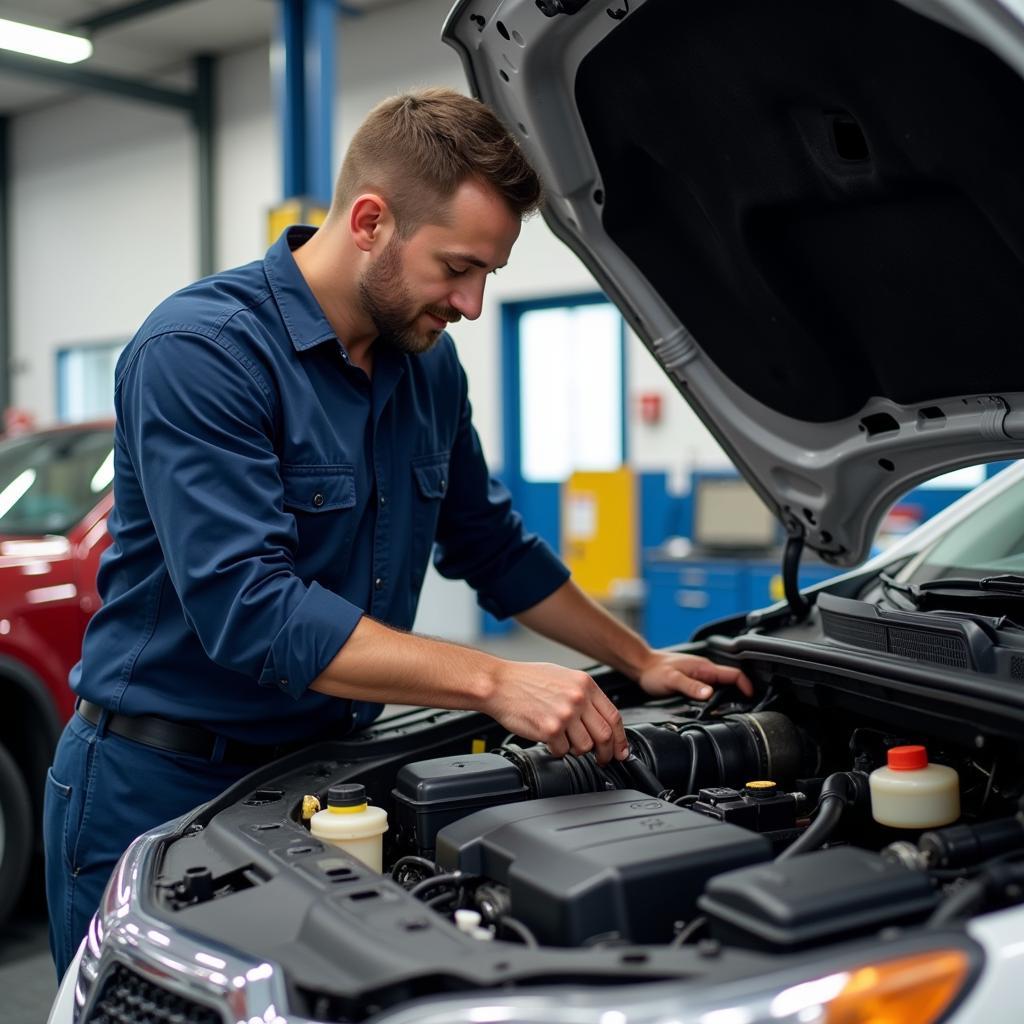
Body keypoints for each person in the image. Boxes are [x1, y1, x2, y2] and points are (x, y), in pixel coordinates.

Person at [43, 88, 751, 977]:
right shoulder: (203, 351)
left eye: (488, 272)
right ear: (371, 220)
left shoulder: (426, 370)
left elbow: (491, 547)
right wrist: (494, 680)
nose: (473, 302)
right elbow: (250, 610)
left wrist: (639, 658)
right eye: (458, 267)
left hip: (323, 779)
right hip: (158, 785)